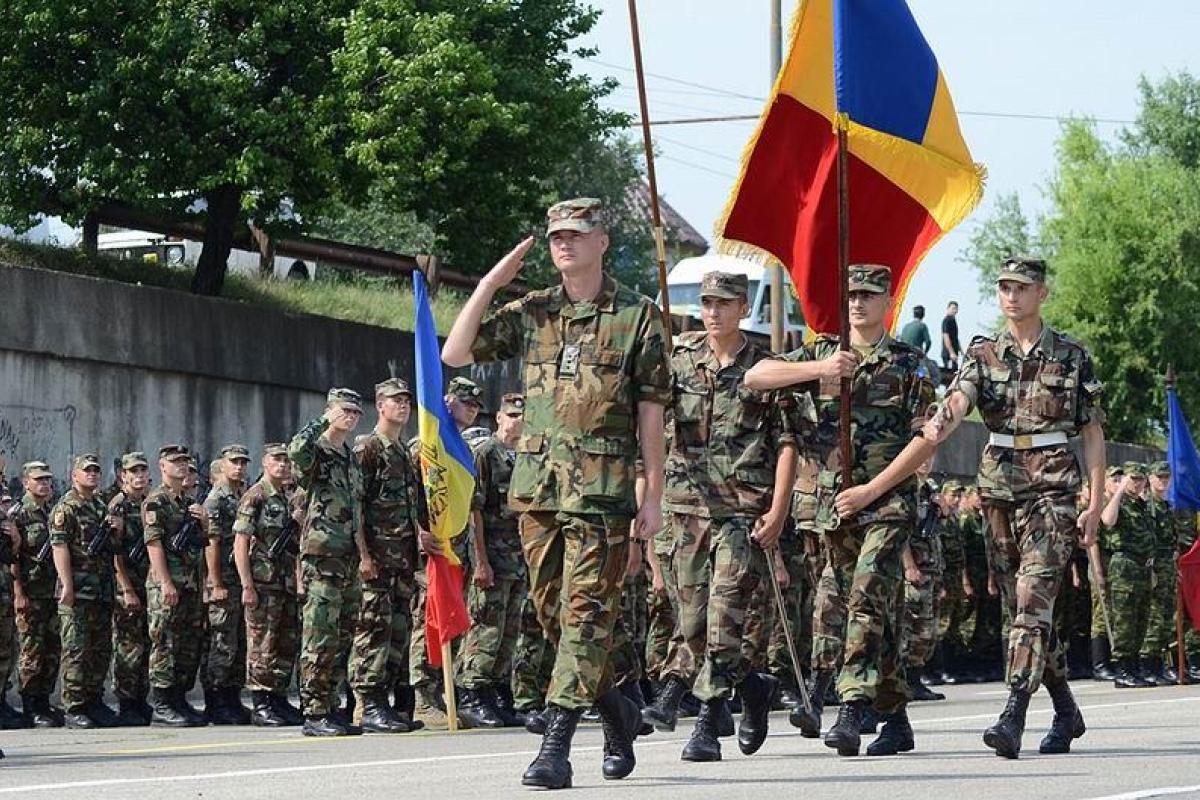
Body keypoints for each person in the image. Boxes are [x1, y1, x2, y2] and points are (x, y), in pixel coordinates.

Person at [834, 256, 1106, 759]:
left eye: (1021, 287)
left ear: (1041, 293)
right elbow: (958, 401)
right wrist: (939, 422)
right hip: (999, 486)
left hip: (1053, 489)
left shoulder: (1070, 355)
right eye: (1004, 287)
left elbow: (1091, 429)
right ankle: (1065, 708)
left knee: (1032, 597)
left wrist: (1095, 497)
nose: (1011, 295)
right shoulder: (982, 354)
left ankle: (1013, 712)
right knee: (1022, 610)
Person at [442, 197, 670, 789]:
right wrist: (492, 282)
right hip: (539, 489)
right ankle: (616, 707)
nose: (563, 244)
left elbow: (651, 412)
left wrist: (652, 494)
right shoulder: (534, 310)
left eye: (575, 234)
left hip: (605, 489)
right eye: (555, 237)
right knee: (552, 615)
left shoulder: (638, 316)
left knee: (586, 613)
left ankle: (558, 740)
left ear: (602, 241)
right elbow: (455, 351)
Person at [746, 264, 936, 758]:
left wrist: (873, 489)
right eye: (850, 293)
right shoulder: (823, 352)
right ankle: (896, 717)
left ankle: (851, 708)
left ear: (888, 300)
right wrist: (819, 371)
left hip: (887, 501)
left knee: (867, 595)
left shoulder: (909, 364)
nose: (857, 302)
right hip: (834, 507)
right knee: (863, 609)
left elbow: (926, 442)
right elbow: (755, 376)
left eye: (869, 294)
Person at [640, 270, 798, 762]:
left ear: (743, 307)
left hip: (742, 509)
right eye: (707, 302)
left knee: (723, 610)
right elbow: (653, 424)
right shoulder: (680, 359)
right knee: (690, 620)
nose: (713, 312)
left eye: (724, 303)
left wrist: (778, 509)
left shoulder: (766, 367)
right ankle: (753, 687)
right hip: (686, 506)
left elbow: (787, 443)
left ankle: (707, 718)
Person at [289, 387, 367, 737]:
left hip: (347, 559)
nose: (349, 417)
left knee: (341, 636)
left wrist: (364, 554)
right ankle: (314, 711)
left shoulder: (348, 457)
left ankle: (332, 707)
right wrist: (323, 421)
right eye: (343, 410)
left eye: (354, 412)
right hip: (322, 558)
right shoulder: (318, 451)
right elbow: (295, 451)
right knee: (318, 636)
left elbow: (357, 511)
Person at [349, 378, 423, 734]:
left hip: (402, 560)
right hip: (377, 559)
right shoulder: (368, 449)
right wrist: (363, 555)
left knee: (397, 631)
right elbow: (356, 506)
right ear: (380, 406)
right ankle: (368, 702)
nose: (403, 405)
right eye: (395, 400)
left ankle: (387, 699)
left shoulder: (403, 455)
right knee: (373, 630)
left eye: (406, 400)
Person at [408, 374, 483, 729]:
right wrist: (419, 532)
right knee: (430, 618)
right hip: (433, 548)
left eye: (477, 406)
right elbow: (407, 498)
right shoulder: (426, 444)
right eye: (467, 403)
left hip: (457, 547)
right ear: (447, 402)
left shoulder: (462, 448)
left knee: (452, 618)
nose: (472, 410)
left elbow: (470, 506)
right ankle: (422, 698)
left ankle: (441, 694)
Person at [458, 393, 527, 728]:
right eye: (511, 415)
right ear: (499, 418)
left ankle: (497, 690)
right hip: (494, 556)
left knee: (509, 630)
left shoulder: (527, 455)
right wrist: (480, 560)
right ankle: (473, 691)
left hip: (519, 556)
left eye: (522, 415)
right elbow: (475, 511)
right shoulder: (486, 454)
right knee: (486, 626)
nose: (518, 421)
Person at [234, 443, 305, 727]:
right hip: (263, 583)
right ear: (265, 462)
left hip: (285, 582)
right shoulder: (256, 496)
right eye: (277, 459)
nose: (283, 464)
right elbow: (241, 544)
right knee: (262, 643)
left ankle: (277, 697)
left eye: (286, 460)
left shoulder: (289, 498)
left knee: (284, 642)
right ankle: (261, 702)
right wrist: (247, 585)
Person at [50, 453, 123, 728]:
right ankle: (74, 705)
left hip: (101, 589)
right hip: (78, 590)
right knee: (76, 649)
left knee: (100, 648)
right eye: (86, 471)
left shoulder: (100, 505)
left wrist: (117, 530)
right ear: (75, 475)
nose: (92, 474)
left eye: (95, 471)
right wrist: (67, 584)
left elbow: (113, 549)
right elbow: (60, 547)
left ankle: (94, 700)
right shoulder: (66, 508)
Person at [143, 445, 210, 727]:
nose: (182, 466)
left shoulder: (186, 502)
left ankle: (178, 698)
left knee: (186, 644)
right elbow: (153, 543)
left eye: (185, 461)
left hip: (190, 583)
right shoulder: (156, 501)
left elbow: (201, 543)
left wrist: (204, 522)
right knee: (165, 643)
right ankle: (161, 703)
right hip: (167, 584)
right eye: (175, 462)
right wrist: (165, 582)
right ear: (162, 466)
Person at [202, 444, 252, 725]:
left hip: (237, 579)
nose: (240, 466)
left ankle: (232, 697)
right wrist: (215, 581)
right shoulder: (216, 500)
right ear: (222, 465)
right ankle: (216, 700)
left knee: (237, 642)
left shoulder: (240, 496)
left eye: (243, 462)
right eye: (234, 461)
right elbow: (213, 542)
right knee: (222, 641)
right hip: (224, 579)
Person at [11, 461, 63, 728]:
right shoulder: (18, 515)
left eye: (47, 479)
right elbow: (14, 558)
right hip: (31, 592)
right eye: (38, 479)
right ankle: (30, 704)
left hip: (52, 592)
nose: (44, 483)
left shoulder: (53, 512)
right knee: (31, 650)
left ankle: (44, 700)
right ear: (25, 483)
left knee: (52, 648)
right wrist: (19, 592)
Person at [1096, 462, 1155, 688]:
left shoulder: (1142, 505)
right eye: (1133, 479)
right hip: (1124, 565)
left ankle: (1134, 667)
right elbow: (1107, 521)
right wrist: (1119, 490)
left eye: (1140, 479)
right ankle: (1122, 669)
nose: (1137, 483)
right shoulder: (1117, 502)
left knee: (1141, 619)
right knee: (1125, 621)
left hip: (1143, 567)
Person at [108, 452, 154, 726]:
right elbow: (115, 554)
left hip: (147, 582)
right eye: (132, 471)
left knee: (145, 644)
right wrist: (126, 588)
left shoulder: (148, 503)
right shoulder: (119, 506)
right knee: (128, 645)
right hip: (128, 583)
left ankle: (139, 699)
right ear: (122, 476)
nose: (138, 476)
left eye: (142, 471)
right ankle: (127, 703)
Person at [940, 301, 961, 371]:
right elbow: (946, 337)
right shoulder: (946, 321)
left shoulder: (953, 321)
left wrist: (961, 350)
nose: (955, 310)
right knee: (949, 375)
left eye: (956, 309)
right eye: (953, 308)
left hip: (954, 353)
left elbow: (955, 337)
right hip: (948, 354)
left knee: (956, 373)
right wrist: (951, 352)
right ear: (948, 308)